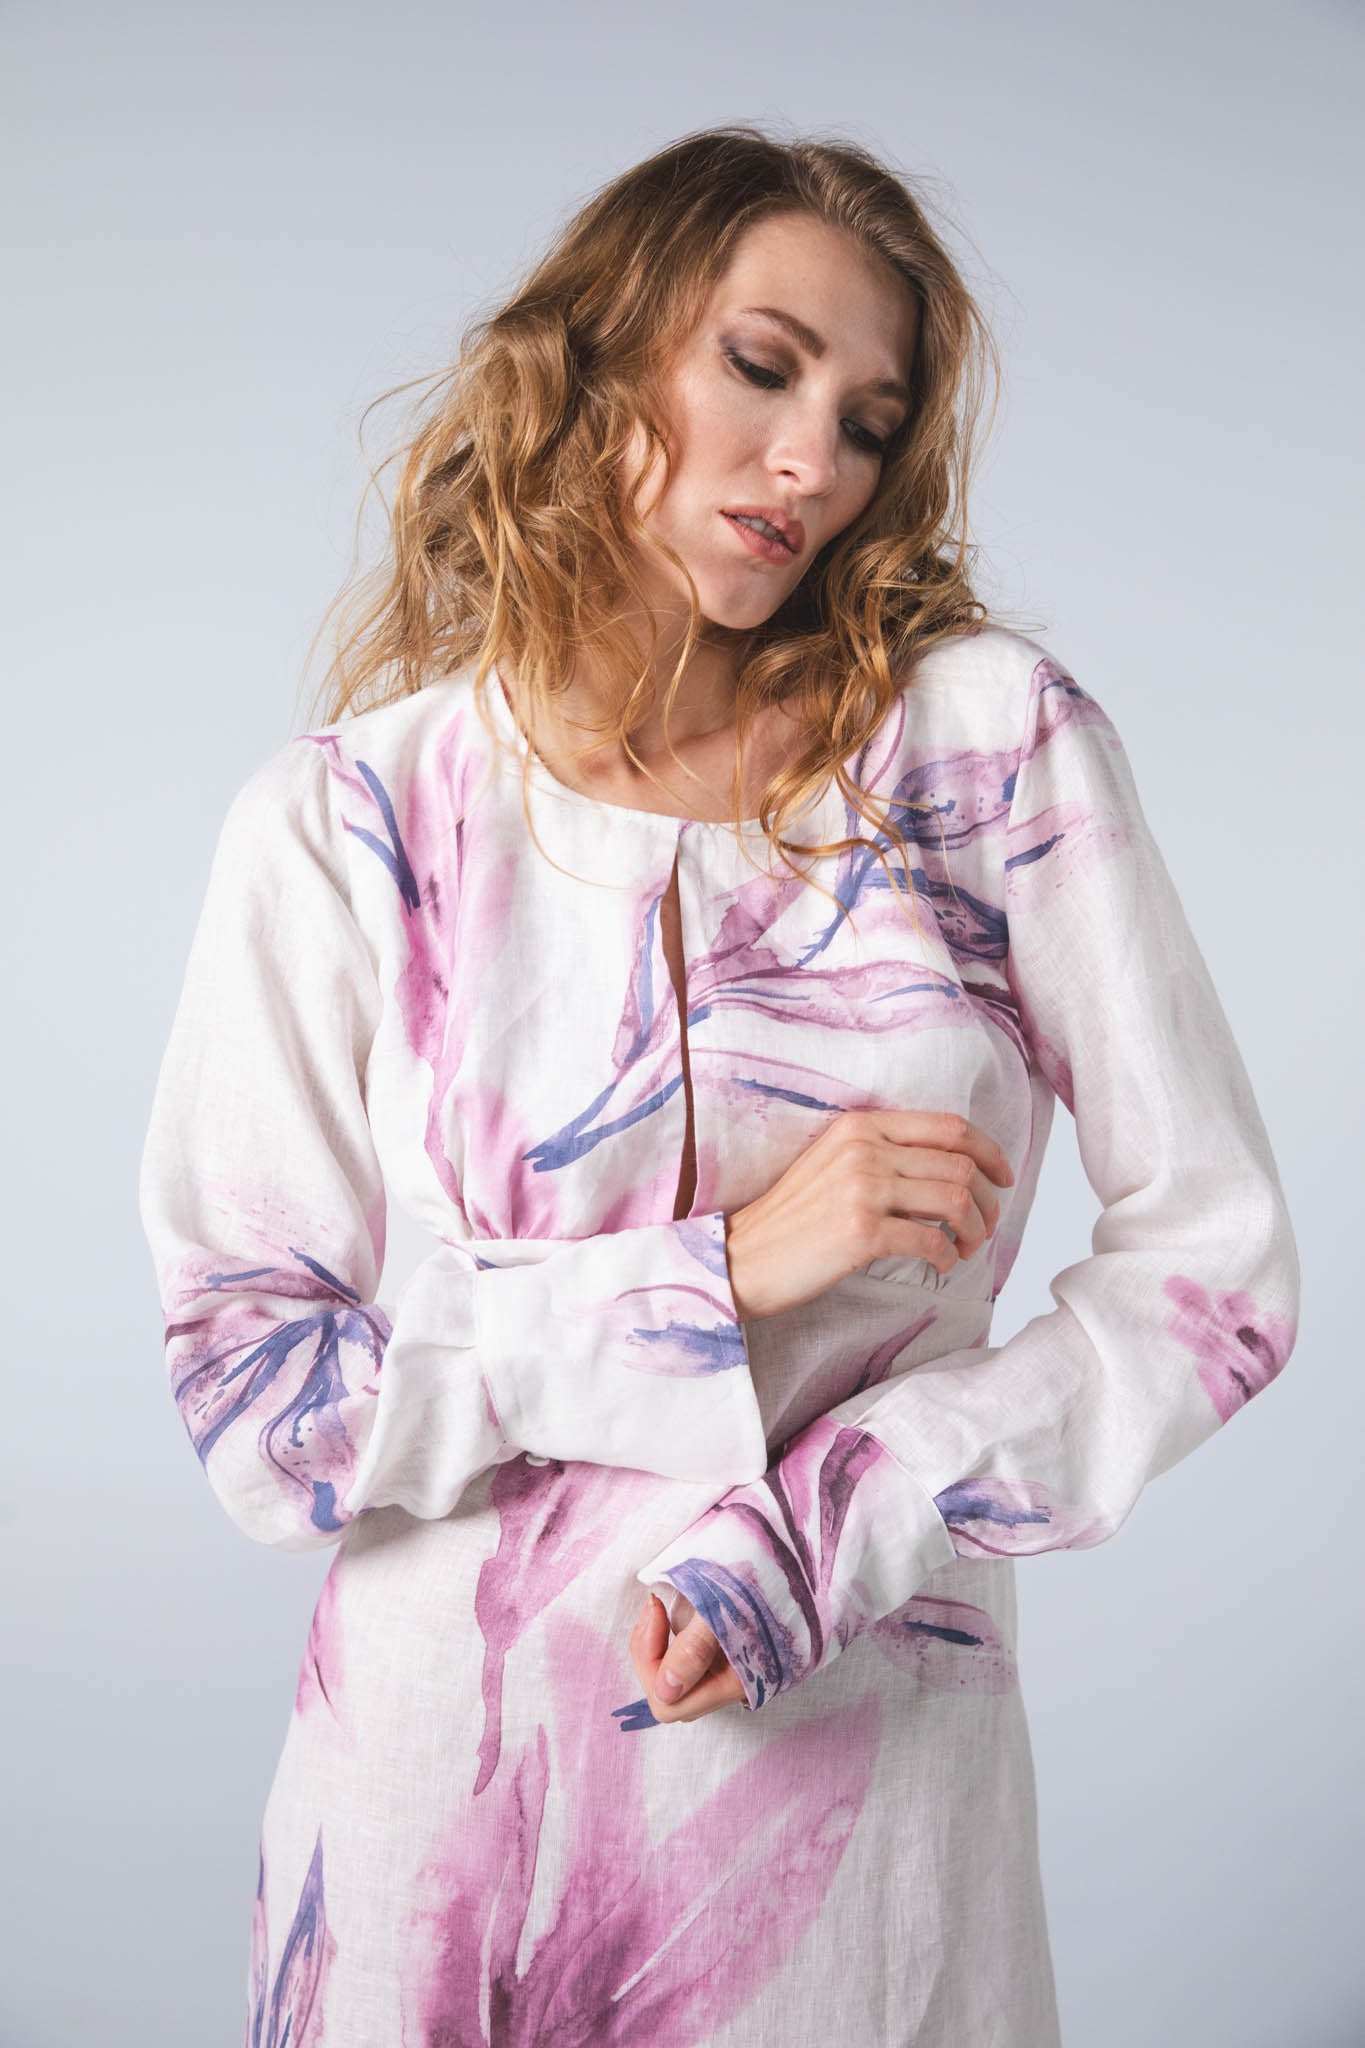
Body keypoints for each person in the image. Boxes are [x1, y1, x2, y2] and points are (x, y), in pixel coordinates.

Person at [137, 124, 1301, 2047]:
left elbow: (1214, 1272)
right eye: (761, 369)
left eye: (866, 423)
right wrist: (718, 1276)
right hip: (441, 1824)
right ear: (598, 359)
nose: (811, 462)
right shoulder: (352, 824)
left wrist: (831, 1521)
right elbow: (258, 1402)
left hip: (850, 1835)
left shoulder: (981, 757)